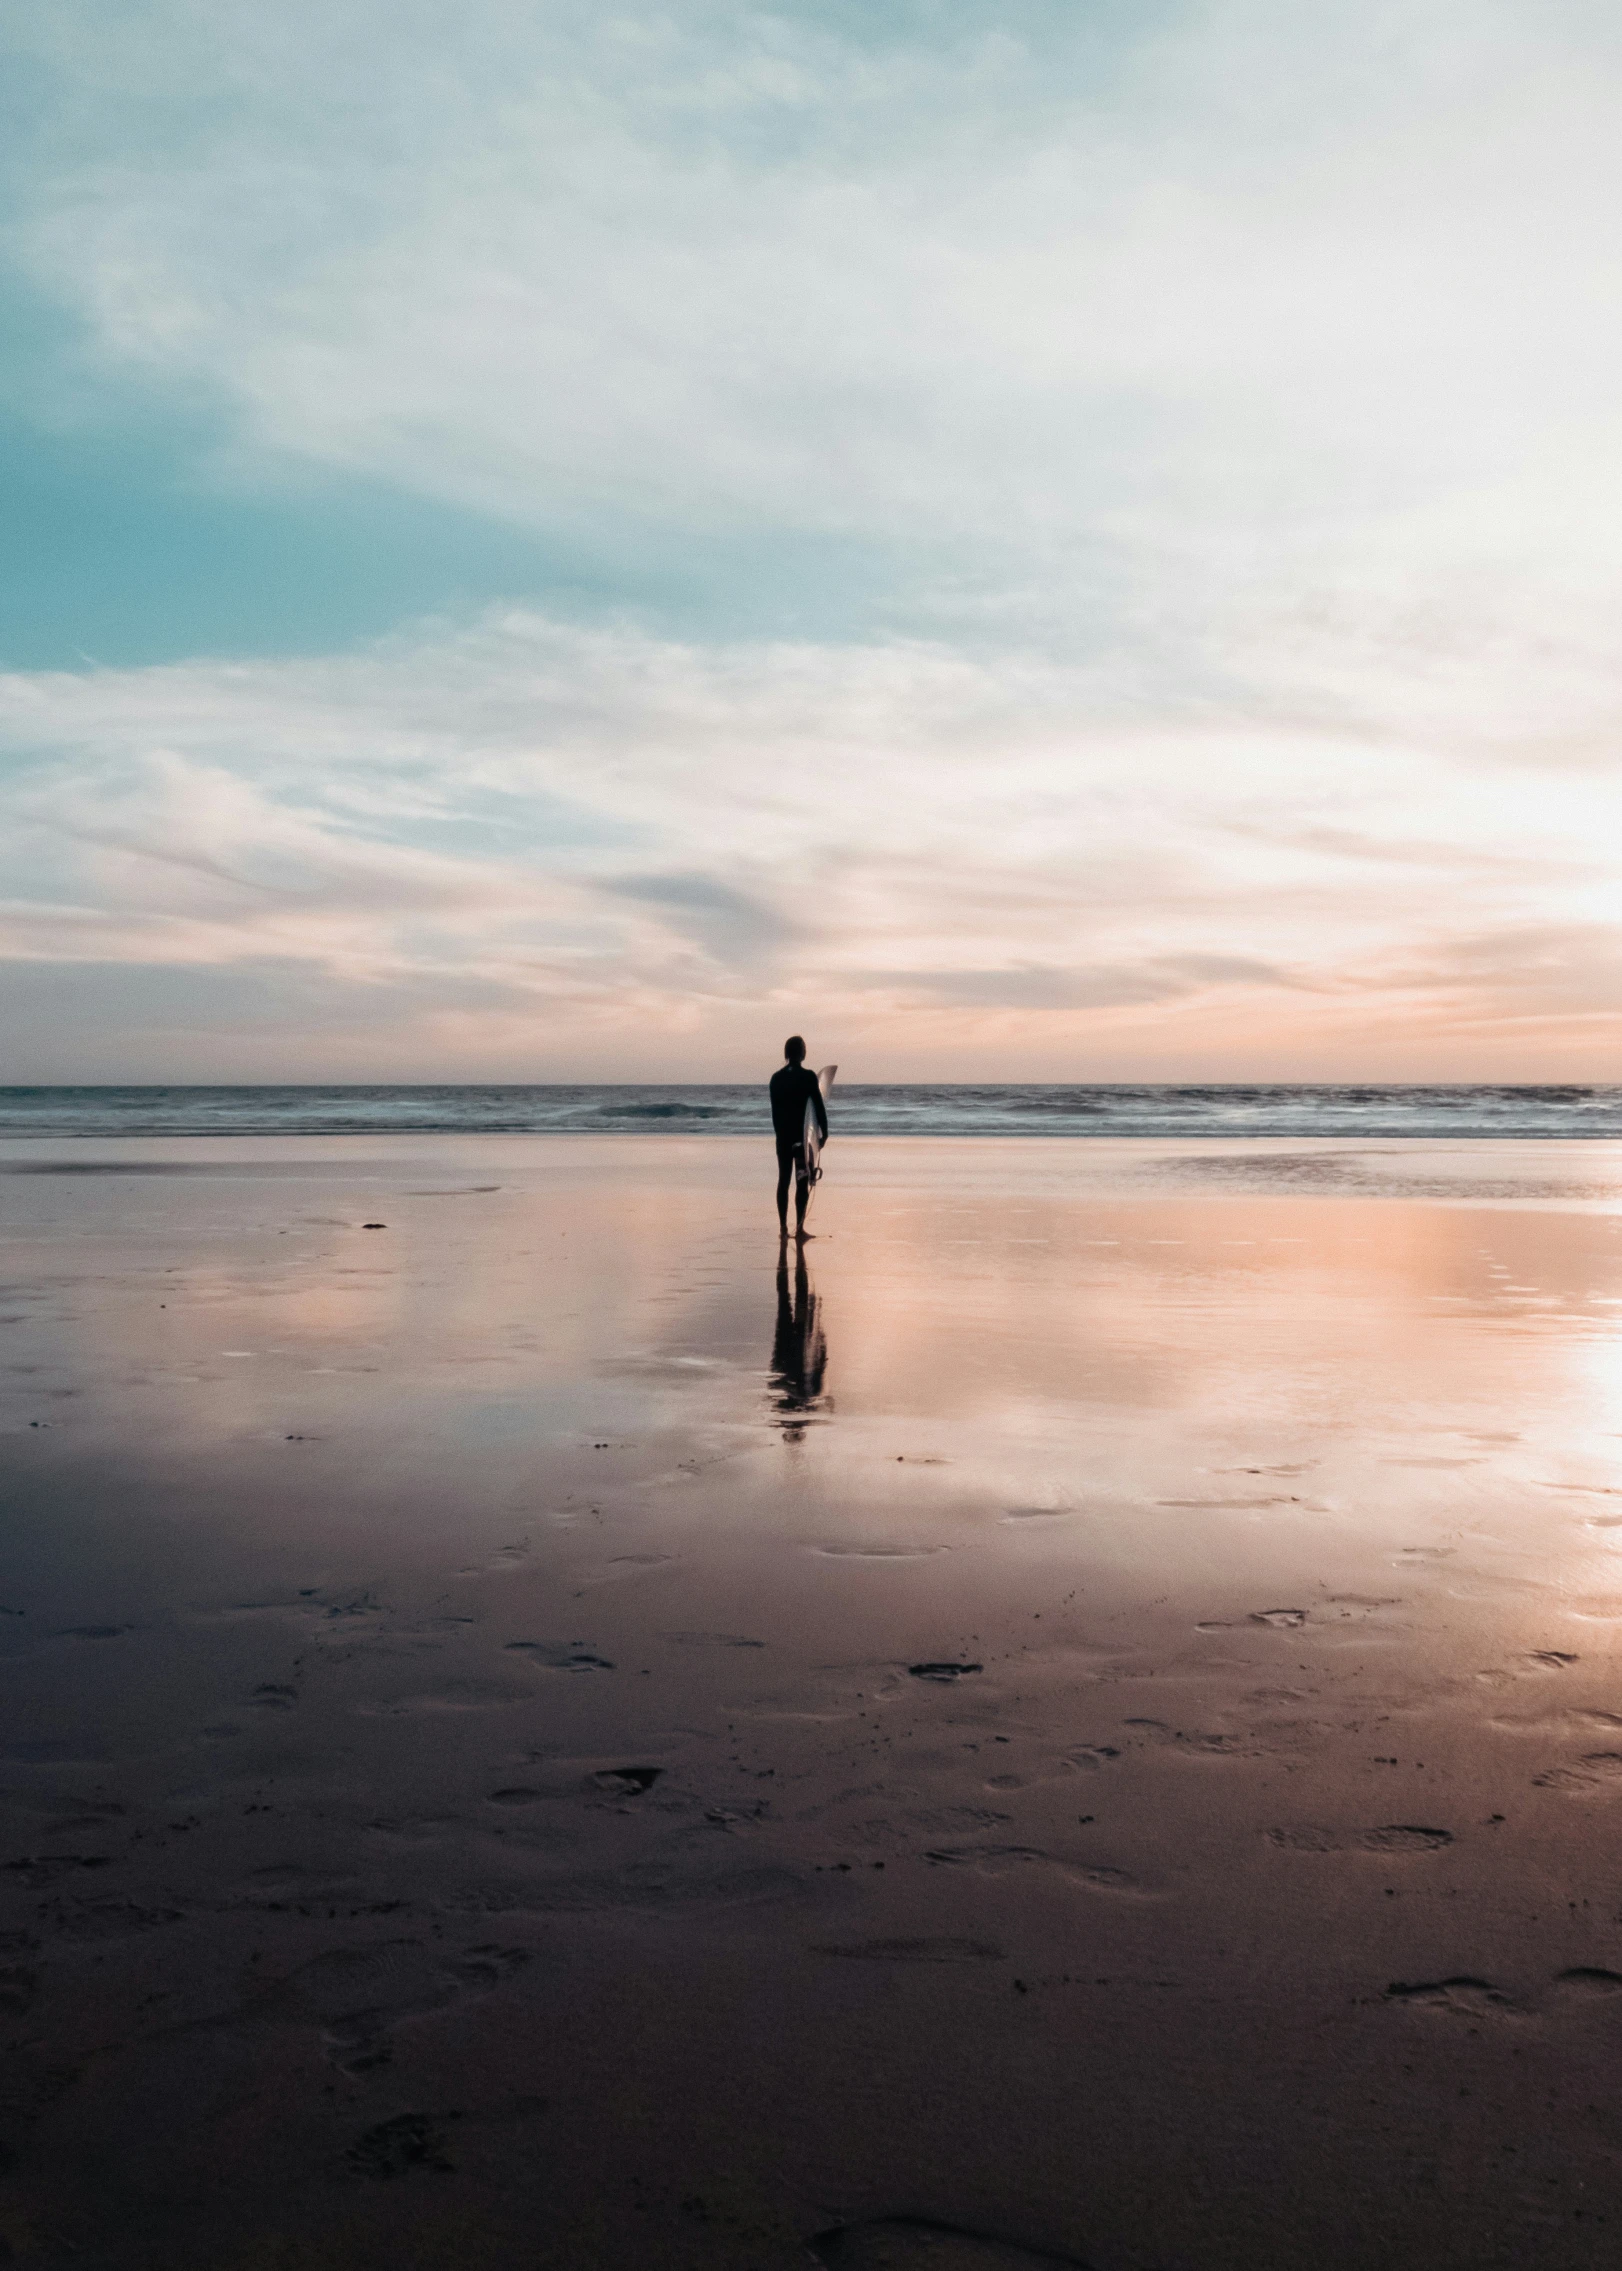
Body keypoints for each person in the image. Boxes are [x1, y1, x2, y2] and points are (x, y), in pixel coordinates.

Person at [769, 1035, 827, 1241]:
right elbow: (818, 1108)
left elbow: (775, 1113)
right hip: (801, 1140)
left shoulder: (775, 1079)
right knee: (801, 1181)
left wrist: (779, 1136)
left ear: (787, 1053)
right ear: (801, 1052)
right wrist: (823, 1133)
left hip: (783, 1138)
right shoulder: (808, 1077)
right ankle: (800, 1228)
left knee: (783, 1181)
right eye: (804, 1047)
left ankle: (783, 1229)